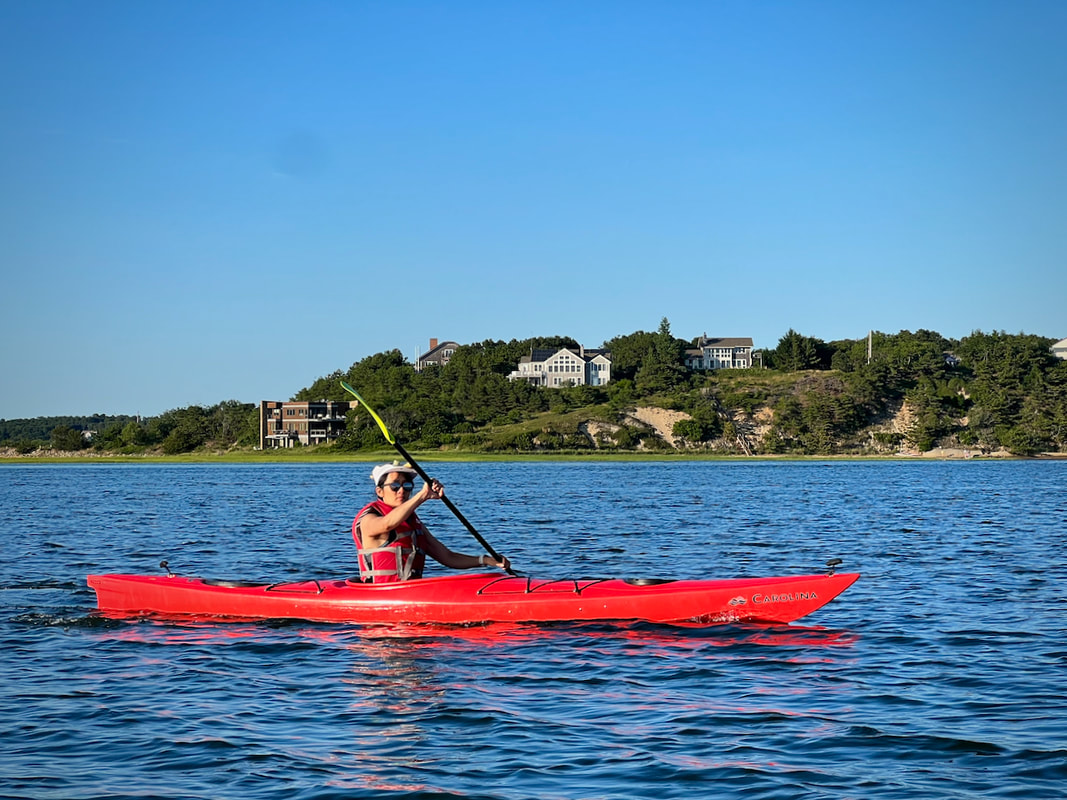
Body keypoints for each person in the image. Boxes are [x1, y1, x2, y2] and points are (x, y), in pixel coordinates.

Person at [352, 462, 510, 583]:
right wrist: (423, 495)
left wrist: (486, 561)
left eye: (407, 486)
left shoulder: (412, 522)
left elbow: (448, 557)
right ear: (379, 492)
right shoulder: (368, 518)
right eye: (395, 486)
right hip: (382, 594)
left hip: (411, 590)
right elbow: (387, 524)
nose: (402, 491)